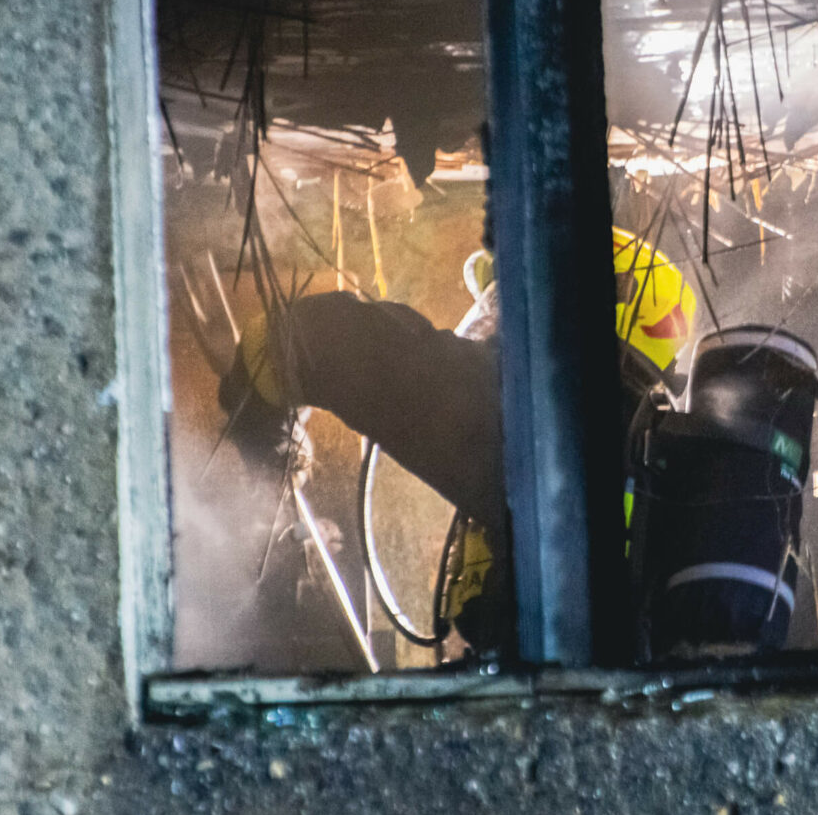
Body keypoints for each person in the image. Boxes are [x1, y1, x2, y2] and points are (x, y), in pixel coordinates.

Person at [218, 228, 697, 652]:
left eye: (503, 304)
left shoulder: (555, 424)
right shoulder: (641, 448)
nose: (487, 321)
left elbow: (357, 355)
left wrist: (273, 399)